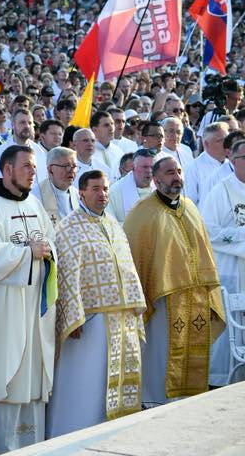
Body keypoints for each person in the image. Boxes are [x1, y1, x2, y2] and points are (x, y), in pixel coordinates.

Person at [0, 144, 56, 454]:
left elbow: (50, 244)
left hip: (34, 305)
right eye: (27, 167)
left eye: (34, 167)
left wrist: (45, 253)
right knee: (7, 372)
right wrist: (26, 253)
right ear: (7, 170)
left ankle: (30, 443)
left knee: (31, 374)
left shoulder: (34, 203)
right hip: (5, 308)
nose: (34, 173)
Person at [46, 171, 145, 438]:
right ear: (81, 193)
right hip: (88, 322)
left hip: (120, 317)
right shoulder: (69, 227)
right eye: (96, 189)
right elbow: (65, 274)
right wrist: (71, 316)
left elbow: (127, 265)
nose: (102, 194)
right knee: (85, 383)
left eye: (105, 189)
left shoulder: (112, 223)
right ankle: (71, 434)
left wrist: (135, 305)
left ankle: (109, 436)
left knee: (109, 385)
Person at [124, 156, 225, 406]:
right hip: (162, 299)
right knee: (161, 353)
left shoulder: (190, 207)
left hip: (196, 296)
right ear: (156, 180)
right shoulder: (142, 212)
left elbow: (205, 251)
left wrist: (211, 294)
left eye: (178, 171)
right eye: (170, 172)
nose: (176, 176)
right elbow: (135, 258)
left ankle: (188, 399)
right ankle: (155, 401)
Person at [196, 139, 245, 385]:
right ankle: (222, 379)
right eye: (244, 158)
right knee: (229, 329)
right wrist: (241, 238)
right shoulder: (221, 190)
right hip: (231, 271)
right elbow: (207, 229)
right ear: (233, 161)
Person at [31, 146, 80, 228]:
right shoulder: (35, 195)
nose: (71, 170)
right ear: (50, 170)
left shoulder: (77, 194)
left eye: (74, 166)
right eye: (66, 166)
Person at [108, 148, 157, 225]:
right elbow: (109, 223)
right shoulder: (115, 191)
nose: (149, 171)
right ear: (133, 167)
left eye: (152, 167)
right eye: (145, 167)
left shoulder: (161, 188)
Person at [187, 121, 229, 203]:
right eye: (220, 140)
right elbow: (189, 202)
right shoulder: (194, 168)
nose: (226, 143)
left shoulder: (234, 164)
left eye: (227, 139)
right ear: (206, 144)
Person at [91, 111, 125, 182]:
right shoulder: (88, 152)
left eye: (112, 124)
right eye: (106, 125)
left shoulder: (119, 152)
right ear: (94, 130)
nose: (111, 128)